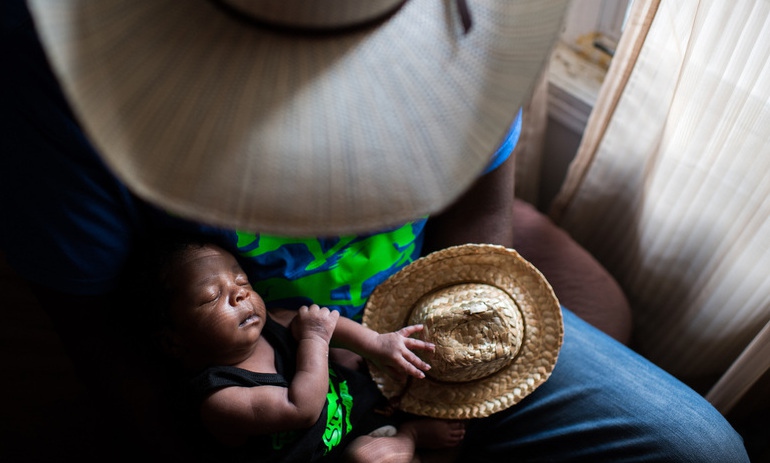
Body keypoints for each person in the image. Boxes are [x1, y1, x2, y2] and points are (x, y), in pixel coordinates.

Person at [1, 1, 750, 462]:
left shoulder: (474, 16)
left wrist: (445, 375)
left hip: (417, 314)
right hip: (266, 363)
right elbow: (103, 343)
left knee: (700, 447)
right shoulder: (50, 57)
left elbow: (481, 200)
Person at [147, 239, 465, 462]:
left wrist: (378, 344)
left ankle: (400, 431)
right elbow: (301, 408)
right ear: (174, 341)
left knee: (354, 363)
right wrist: (314, 340)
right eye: (211, 297)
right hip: (340, 453)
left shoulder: (271, 322)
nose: (239, 296)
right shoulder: (219, 397)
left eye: (242, 282)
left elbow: (324, 322)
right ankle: (409, 437)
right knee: (367, 458)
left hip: (363, 414)